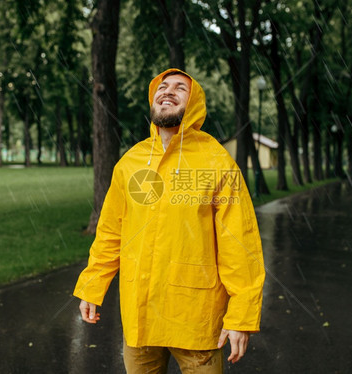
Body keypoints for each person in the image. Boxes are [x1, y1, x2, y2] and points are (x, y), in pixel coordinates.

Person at [74, 68, 265, 373]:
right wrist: (91, 286)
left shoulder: (217, 162)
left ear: (195, 104)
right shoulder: (130, 163)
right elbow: (111, 232)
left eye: (180, 88)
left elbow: (239, 243)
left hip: (196, 319)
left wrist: (241, 315)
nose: (168, 91)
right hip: (141, 316)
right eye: (162, 87)